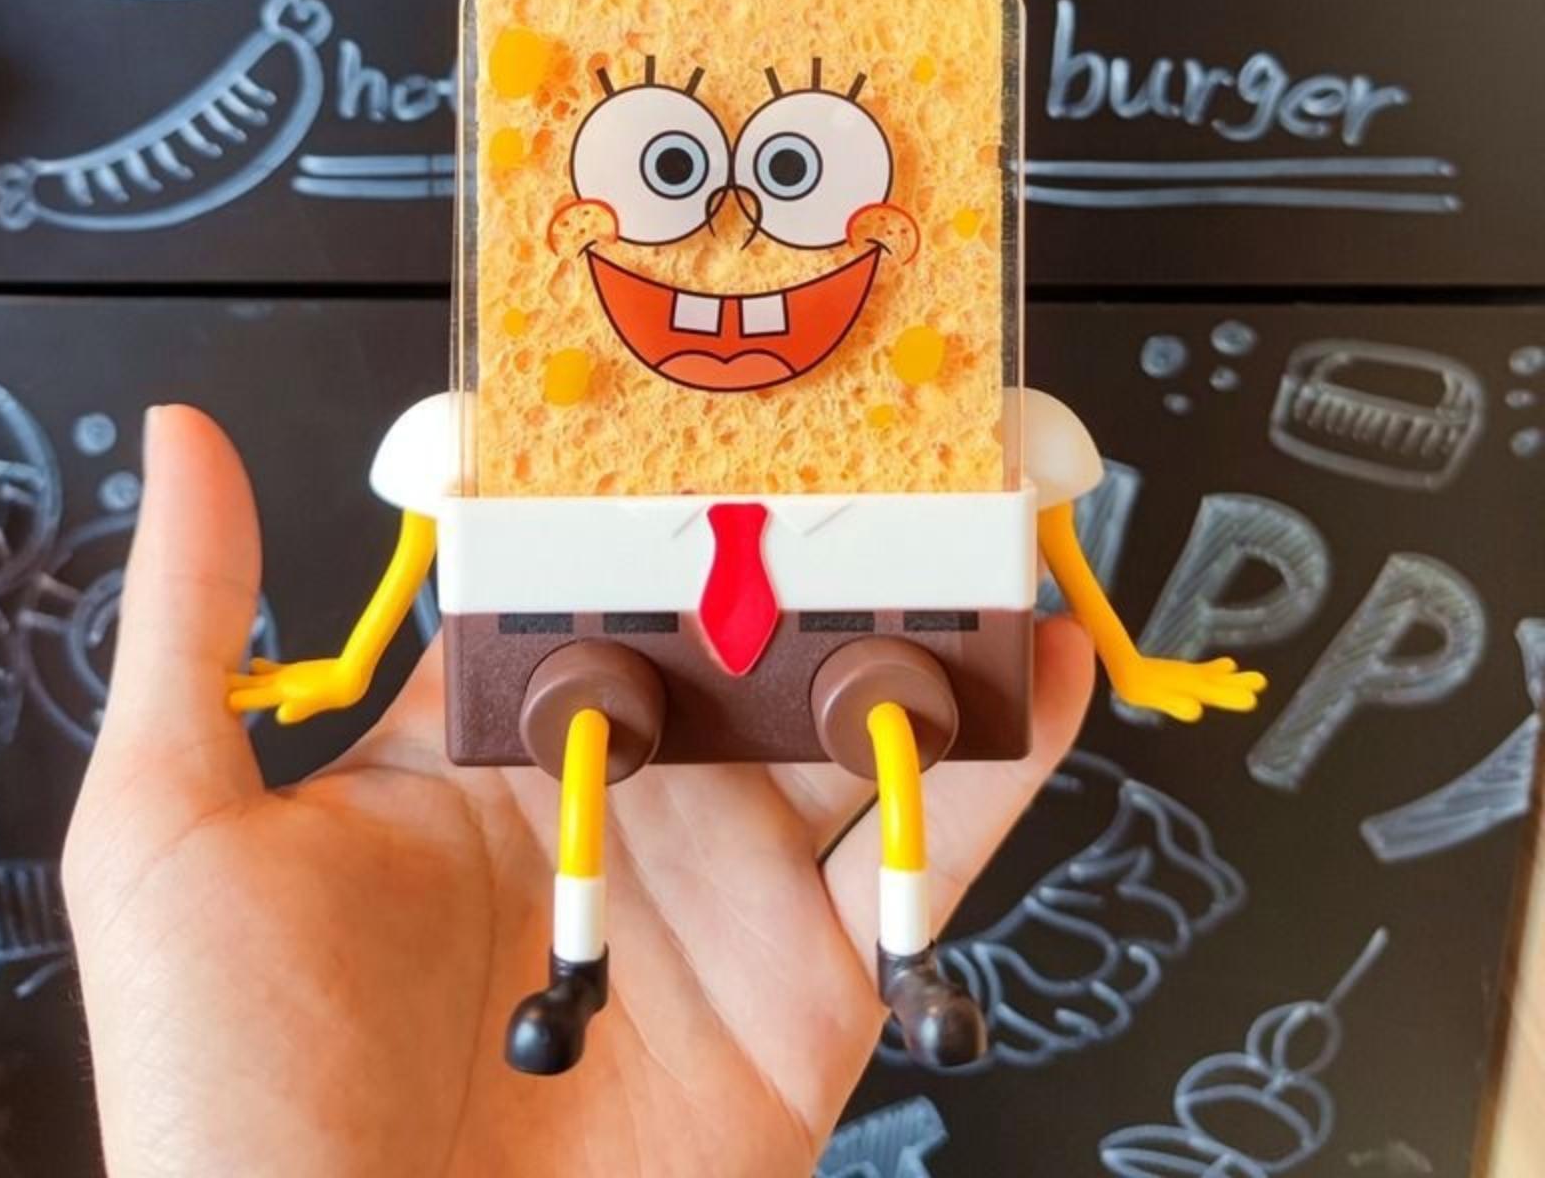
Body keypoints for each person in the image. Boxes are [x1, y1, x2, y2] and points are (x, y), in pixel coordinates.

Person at [62, 405, 1096, 1177]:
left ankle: (907, 963)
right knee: (586, 740)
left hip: (858, 620)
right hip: (598, 632)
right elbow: (421, 536)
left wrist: (1128, 661)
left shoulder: (984, 412)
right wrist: (347, 668)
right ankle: (575, 971)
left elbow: (1047, 516)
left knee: (889, 732)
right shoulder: (474, 424)